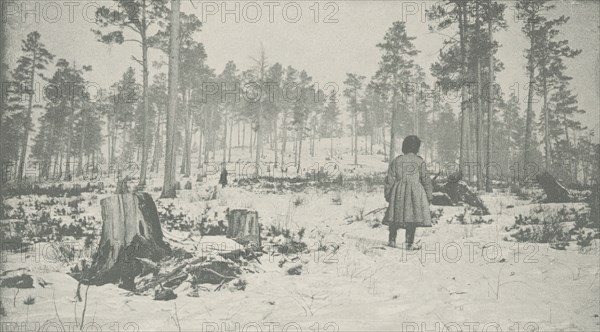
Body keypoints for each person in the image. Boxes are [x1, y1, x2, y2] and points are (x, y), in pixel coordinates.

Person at [384, 135, 433, 249]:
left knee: (395, 214)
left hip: (398, 192)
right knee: (413, 216)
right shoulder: (420, 162)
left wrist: (388, 194)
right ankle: (409, 243)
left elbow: (390, 179)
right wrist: (429, 196)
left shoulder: (397, 160)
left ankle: (392, 239)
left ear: (404, 146)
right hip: (415, 193)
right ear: (417, 147)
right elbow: (426, 180)